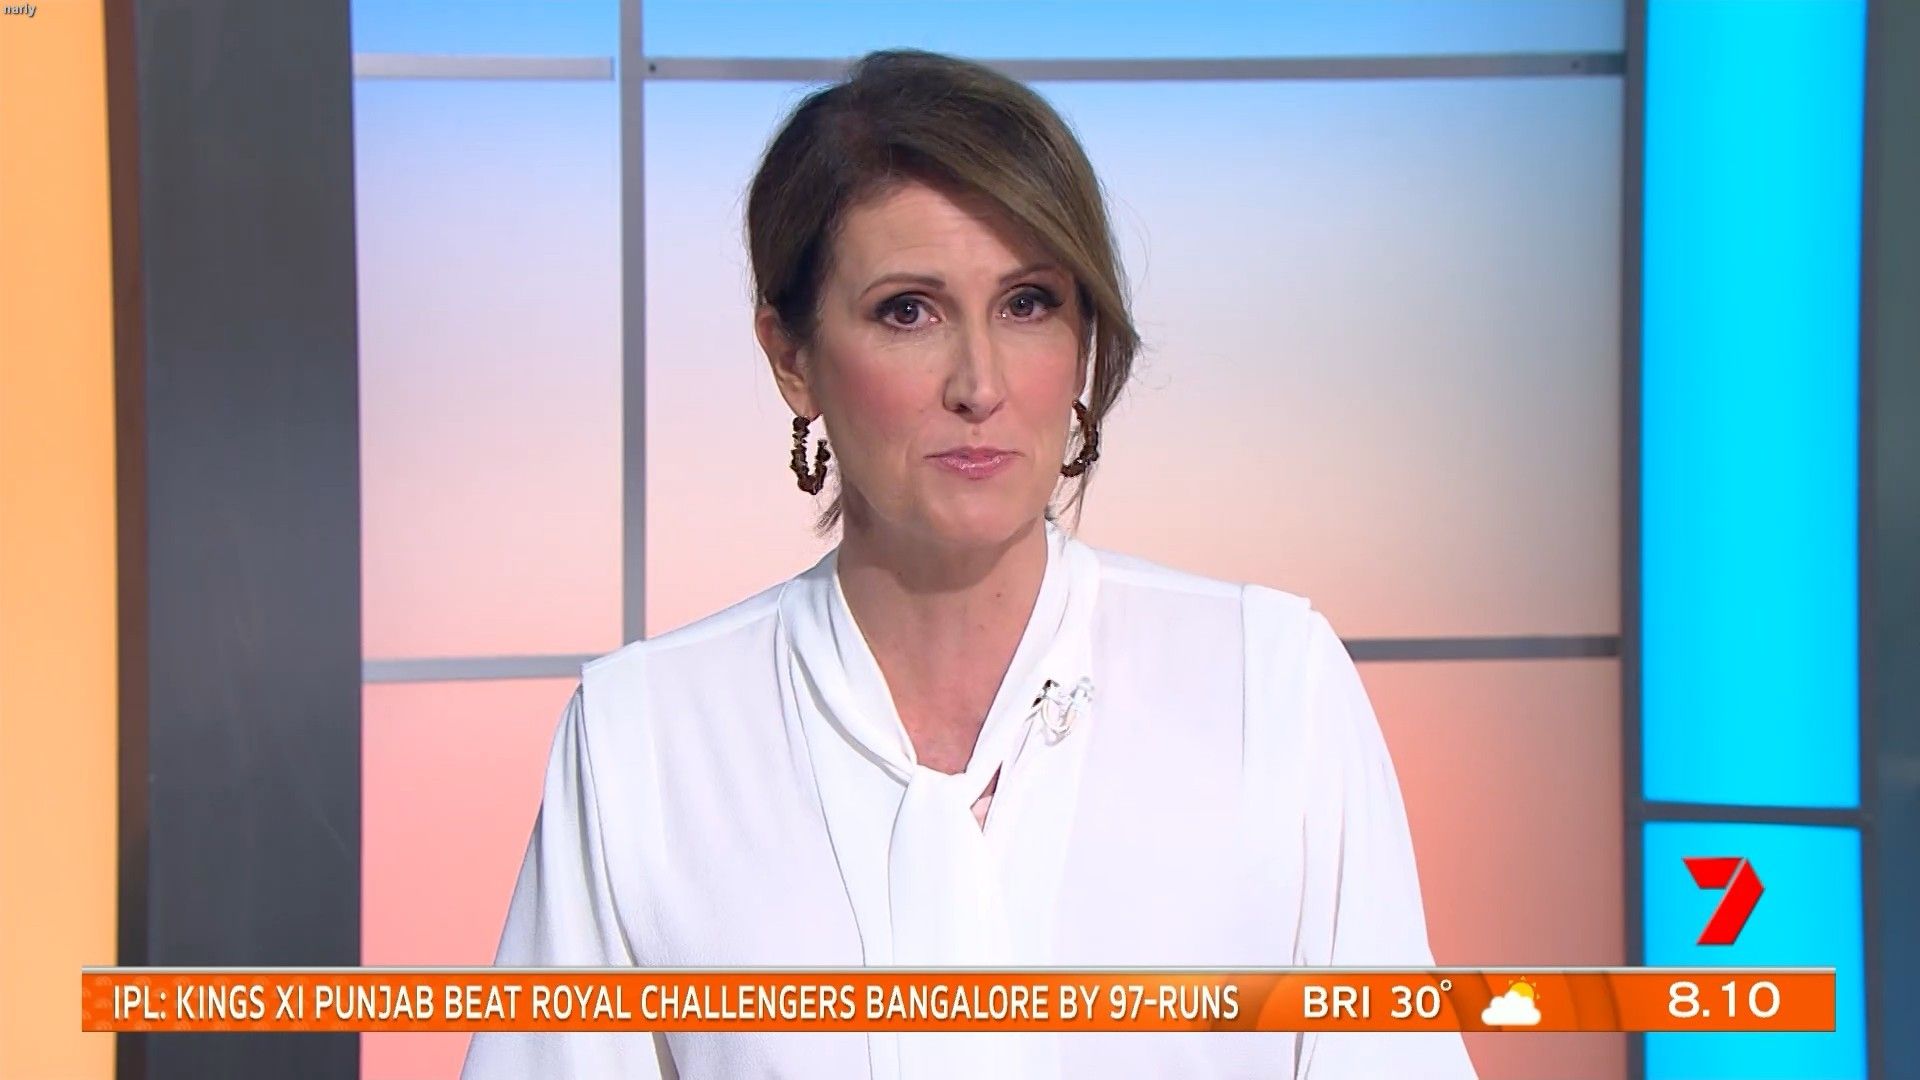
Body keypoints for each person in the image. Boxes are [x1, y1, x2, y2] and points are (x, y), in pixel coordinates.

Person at [464, 48, 1475, 1080]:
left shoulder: (1274, 687)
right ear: (791, 356)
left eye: (1028, 303)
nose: (980, 383)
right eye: (909, 310)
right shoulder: (645, 740)